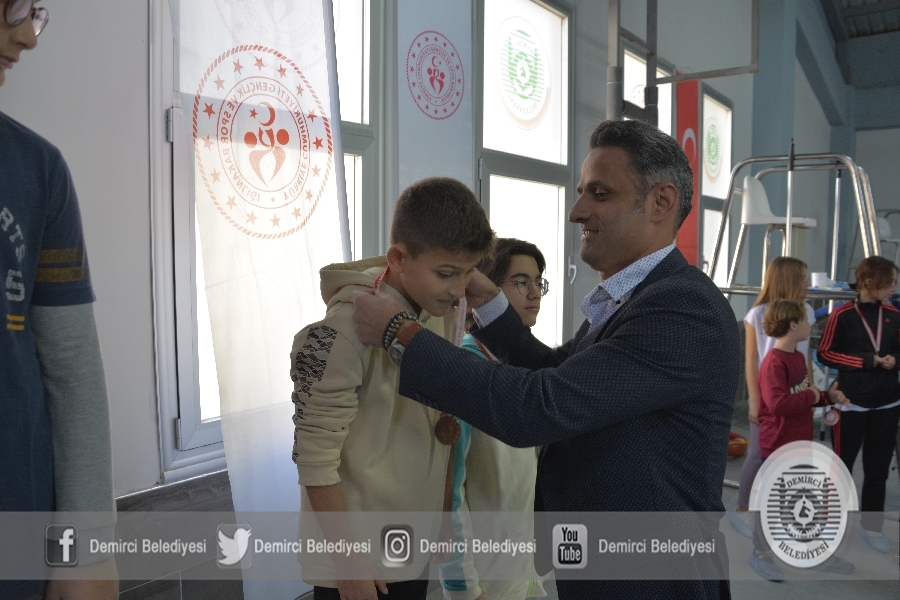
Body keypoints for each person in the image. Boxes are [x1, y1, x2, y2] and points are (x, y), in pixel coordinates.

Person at [350, 119, 739, 599]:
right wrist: (489, 303)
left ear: (660, 202)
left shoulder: (682, 309)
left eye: (599, 194)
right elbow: (555, 370)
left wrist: (399, 333)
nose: (577, 212)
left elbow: (540, 406)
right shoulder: (635, 299)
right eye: (580, 192)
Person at [290, 177, 494, 600]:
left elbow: (442, 426)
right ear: (399, 258)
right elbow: (314, 456)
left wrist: (441, 519)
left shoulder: (438, 311)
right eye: (446, 273)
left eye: (469, 272)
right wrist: (347, 561)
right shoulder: (342, 329)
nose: (460, 289)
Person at [0, 3, 117, 599]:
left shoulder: (37, 170)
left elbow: (72, 372)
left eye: (34, 12)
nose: (27, 36)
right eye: (13, 7)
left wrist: (89, 545)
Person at [440, 238, 548, 600]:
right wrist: (464, 588)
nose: (535, 293)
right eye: (521, 282)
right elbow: (448, 495)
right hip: (485, 583)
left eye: (538, 282)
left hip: (524, 574)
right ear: (484, 289)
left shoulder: (523, 370)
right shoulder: (468, 371)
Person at [747, 300, 851, 582]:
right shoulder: (774, 362)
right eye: (806, 321)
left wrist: (828, 397)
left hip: (798, 442)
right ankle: (761, 552)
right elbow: (778, 404)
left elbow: (803, 393)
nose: (810, 325)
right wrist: (812, 396)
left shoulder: (795, 357)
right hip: (778, 444)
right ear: (793, 325)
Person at [727, 257, 816, 538]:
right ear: (789, 280)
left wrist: (812, 391)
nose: (807, 283)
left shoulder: (806, 312)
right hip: (769, 396)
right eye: (803, 278)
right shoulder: (757, 314)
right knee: (757, 454)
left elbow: (805, 355)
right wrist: (754, 400)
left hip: (796, 393)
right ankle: (742, 509)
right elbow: (751, 359)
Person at [818, 255, 900, 555]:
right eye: (889, 282)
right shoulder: (842, 315)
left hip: (887, 403)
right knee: (841, 467)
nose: (893, 288)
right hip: (850, 403)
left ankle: (872, 526)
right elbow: (825, 353)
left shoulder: (894, 314)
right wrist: (866, 361)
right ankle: (829, 525)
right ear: (868, 282)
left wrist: (894, 361)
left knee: (878, 470)